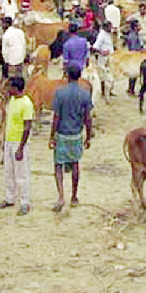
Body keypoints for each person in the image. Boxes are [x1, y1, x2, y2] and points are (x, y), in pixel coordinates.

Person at [49, 65, 93, 212]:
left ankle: (61, 195)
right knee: (75, 164)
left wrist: (51, 136)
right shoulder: (85, 94)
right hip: (76, 134)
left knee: (58, 164)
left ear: (67, 75)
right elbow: (88, 117)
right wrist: (88, 136)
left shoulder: (60, 93)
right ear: (79, 75)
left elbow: (56, 116)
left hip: (62, 133)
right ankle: (74, 196)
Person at [0, 77, 35, 216]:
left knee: (21, 173)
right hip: (9, 140)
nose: (7, 90)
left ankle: (25, 202)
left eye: (9, 87)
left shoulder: (26, 103)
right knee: (8, 171)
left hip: (19, 142)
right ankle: (9, 198)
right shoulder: (11, 101)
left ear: (16, 88)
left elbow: (27, 126)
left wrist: (21, 148)